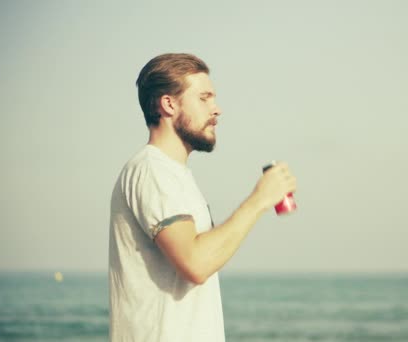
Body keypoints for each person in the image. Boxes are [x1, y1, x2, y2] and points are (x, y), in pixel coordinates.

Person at [108, 53, 297, 341]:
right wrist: (259, 200)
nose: (217, 109)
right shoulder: (152, 170)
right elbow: (195, 264)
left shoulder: (173, 174)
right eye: (204, 98)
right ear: (168, 104)